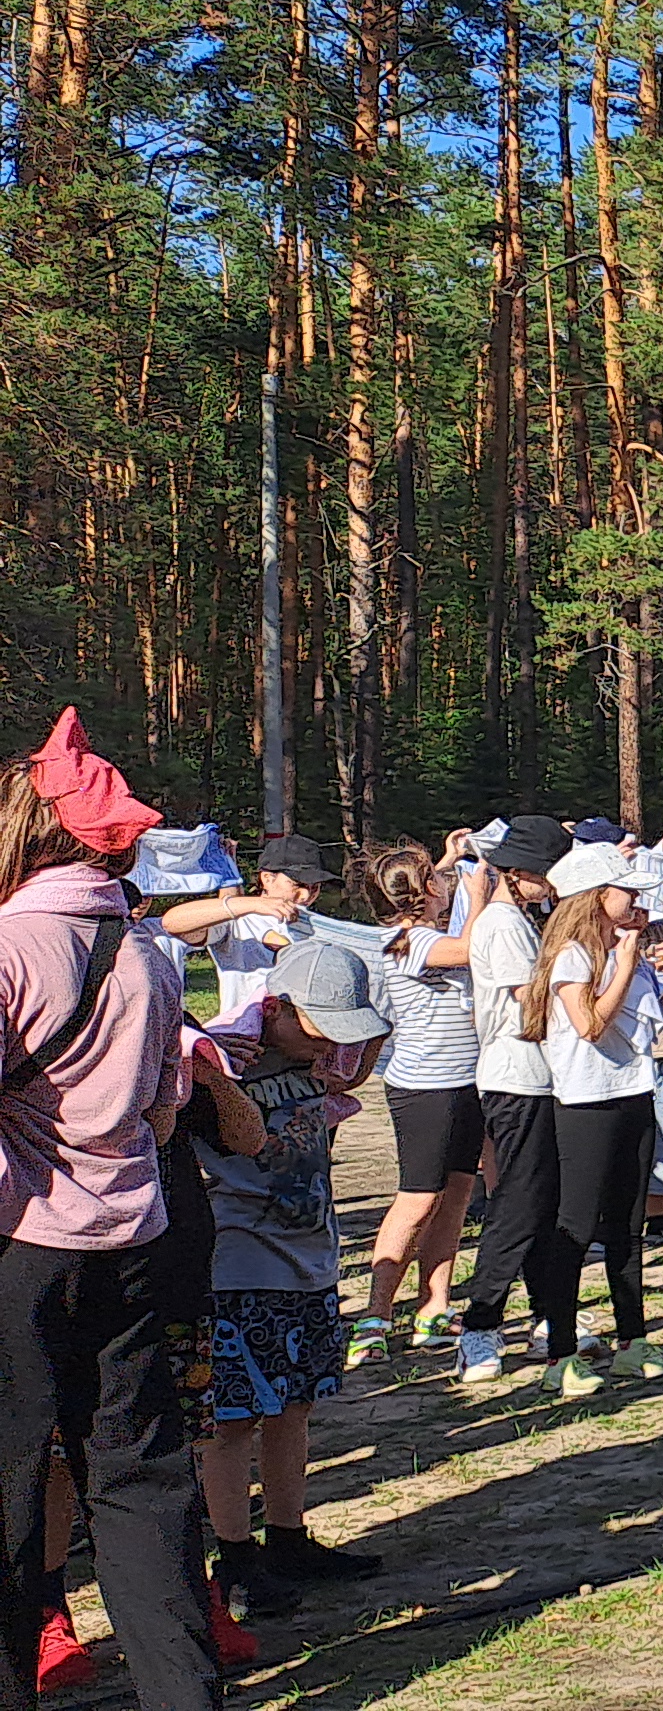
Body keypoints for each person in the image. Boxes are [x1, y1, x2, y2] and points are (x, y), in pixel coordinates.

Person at [0, 711, 222, 1711]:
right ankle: (184, 1693)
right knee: (142, 1477)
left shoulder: (9, 946)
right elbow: (165, 1111)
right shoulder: (148, 954)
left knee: (9, 1482)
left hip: (20, 1242)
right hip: (132, 1236)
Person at [194, 942, 389, 1628]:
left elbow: (358, 1062)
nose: (331, 1041)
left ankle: (288, 1537)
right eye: (319, 1026)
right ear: (274, 1006)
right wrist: (207, 1058)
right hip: (238, 1266)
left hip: (309, 1259)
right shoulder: (223, 1054)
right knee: (233, 1420)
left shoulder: (318, 1055)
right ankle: (235, 1560)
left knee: (296, 1407)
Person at [529, 843, 663, 1397]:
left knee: (628, 1224)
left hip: (634, 1093)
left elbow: (646, 1025)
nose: (637, 901)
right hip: (586, 1103)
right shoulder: (572, 956)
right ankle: (561, 1352)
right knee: (575, 1225)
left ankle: (632, 1341)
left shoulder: (625, 953)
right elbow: (592, 1025)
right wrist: (624, 960)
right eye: (627, 891)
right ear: (597, 897)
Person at [451, 814, 576, 1386]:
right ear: (520, 874)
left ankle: (548, 1315)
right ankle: (480, 1323)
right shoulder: (502, 924)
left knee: (541, 1203)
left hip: (538, 1078)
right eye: (548, 876)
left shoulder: (521, 921)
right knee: (518, 1205)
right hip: (515, 1079)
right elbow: (533, 999)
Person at [351, 843, 479, 1366]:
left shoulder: (419, 930)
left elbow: (425, 891)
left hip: (465, 1081)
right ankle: (375, 1315)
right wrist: (481, 891)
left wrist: (448, 861)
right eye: (437, 879)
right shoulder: (412, 940)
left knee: (456, 1197)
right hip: (425, 1088)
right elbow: (472, 949)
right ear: (426, 890)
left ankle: (434, 1307)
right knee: (418, 1199)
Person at [150, 832, 337, 1021]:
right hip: (245, 1032)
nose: (306, 896)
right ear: (267, 878)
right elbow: (172, 922)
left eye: (315, 887)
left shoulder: (320, 927)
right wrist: (254, 904)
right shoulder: (241, 922)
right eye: (297, 885)